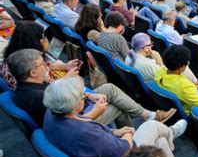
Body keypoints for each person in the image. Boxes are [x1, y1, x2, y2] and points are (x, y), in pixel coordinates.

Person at [42, 76, 186, 157]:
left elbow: (84, 123)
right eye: (82, 97)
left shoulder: (52, 112)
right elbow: (125, 150)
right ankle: (170, 132)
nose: (85, 97)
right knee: (151, 126)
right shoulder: (83, 132)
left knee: (160, 141)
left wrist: (114, 132)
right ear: (73, 107)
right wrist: (128, 133)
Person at [8, 48, 176, 128]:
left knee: (109, 88)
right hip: (79, 121)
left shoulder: (28, 85)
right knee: (119, 105)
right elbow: (66, 123)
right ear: (33, 71)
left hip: (76, 106)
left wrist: (89, 97)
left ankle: (149, 116)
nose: (47, 65)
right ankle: (132, 139)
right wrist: (93, 112)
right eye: (42, 64)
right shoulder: (37, 98)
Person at [1, 21, 79, 90]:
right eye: (42, 37)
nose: (44, 39)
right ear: (33, 42)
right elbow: (53, 89)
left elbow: (45, 66)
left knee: (59, 63)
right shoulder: (32, 68)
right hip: (50, 95)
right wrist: (69, 75)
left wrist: (65, 66)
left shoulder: (13, 56)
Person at [126, 32, 197, 83]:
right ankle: (195, 82)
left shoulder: (129, 56)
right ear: (145, 48)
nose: (151, 46)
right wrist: (159, 60)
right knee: (182, 64)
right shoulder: (149, 65)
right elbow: (168, 76)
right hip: (163, 84)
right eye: (150, 44)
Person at [155, 45, 198, 114]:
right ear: (181, 67)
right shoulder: (184, 85)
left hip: (169, 109)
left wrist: (193, 86)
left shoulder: (160, 72)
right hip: (188, 114)